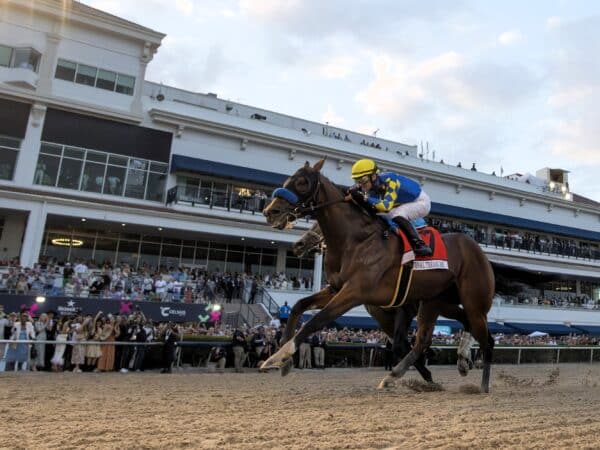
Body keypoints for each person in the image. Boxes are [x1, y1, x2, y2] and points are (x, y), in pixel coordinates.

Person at [349, 158, 432, 256]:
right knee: (378, 212)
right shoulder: (371, 187)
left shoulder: (391, 180)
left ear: (374, 176)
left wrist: (365, 198)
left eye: (363, 180)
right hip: (402, 203)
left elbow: (386, 206)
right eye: (357, 181)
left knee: (396, 214)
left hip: (421, 202)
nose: (361, 185)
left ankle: (419, 244)